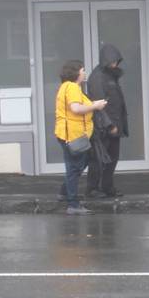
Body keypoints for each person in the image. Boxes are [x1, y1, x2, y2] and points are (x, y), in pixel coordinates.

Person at [54, 60, 107, 215]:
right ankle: (73, 204)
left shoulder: (67, 87)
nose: (85, 72)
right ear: (75, 73)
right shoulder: (72, 88)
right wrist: (95, 106)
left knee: (79, 164)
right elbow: (76, 109)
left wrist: (93, 103)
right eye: (83, 70)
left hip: (72, 134)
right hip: (73, 134)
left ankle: (64, 193)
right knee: (74, 168)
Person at [85, 43, 129, 198]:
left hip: (114, 124)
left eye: (116, 61)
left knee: (112, 158)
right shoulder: (98, 78)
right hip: (103, 127)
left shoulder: (110, 75)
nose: (115, 64)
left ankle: (107, 187)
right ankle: (93, 188)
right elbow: (99, 104)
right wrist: (110, 125)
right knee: (98, 158)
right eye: (112, 61)